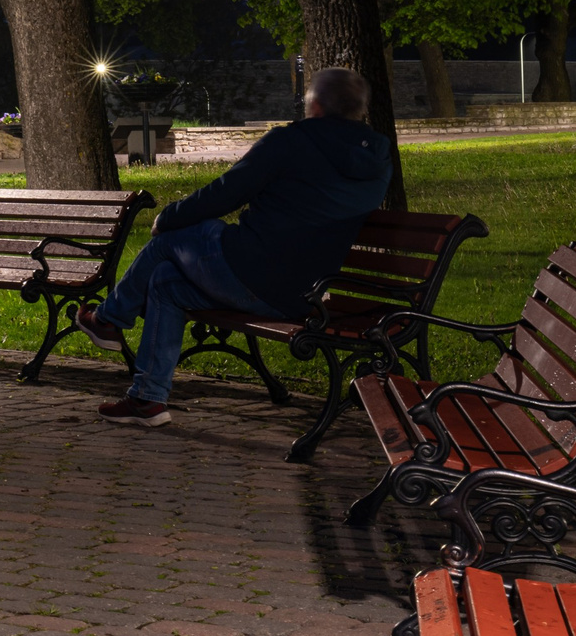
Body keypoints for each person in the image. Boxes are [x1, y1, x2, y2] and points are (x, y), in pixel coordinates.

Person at [77, 65, 393, 427]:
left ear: (316, 106)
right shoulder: (379, 159)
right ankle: (147, 399)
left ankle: (107, 319)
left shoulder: (290, 141)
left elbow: (226, 193)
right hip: (303, 295)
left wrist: (168, 216)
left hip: (251, 271)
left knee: (170, 241)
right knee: (165, 283)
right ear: (360, 108)